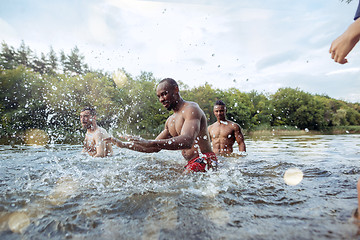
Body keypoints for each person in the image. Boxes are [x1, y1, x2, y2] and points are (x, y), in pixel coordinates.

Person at [105, 78, 217, 173]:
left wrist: (150, 142)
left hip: (205, 159)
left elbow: (188, 141)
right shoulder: (170, 121)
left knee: (178, 186)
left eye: (164, 94)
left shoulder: (191, 109)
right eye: (159, 96)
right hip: (191, 162)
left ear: (176, 90)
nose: (161, 99)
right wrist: (123, 145)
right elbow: (153, 147)